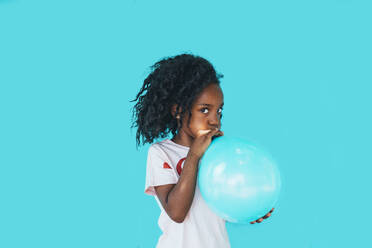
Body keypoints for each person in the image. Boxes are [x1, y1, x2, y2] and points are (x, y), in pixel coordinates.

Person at [130, 53, 273, 248]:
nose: (214, 120)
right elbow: (177, 212)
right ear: (178, 111)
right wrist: (194, 155)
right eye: (204, 109)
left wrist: (250, 208)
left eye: (219, 111)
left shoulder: (220, 153)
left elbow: (218, 207)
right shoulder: (161, 153)